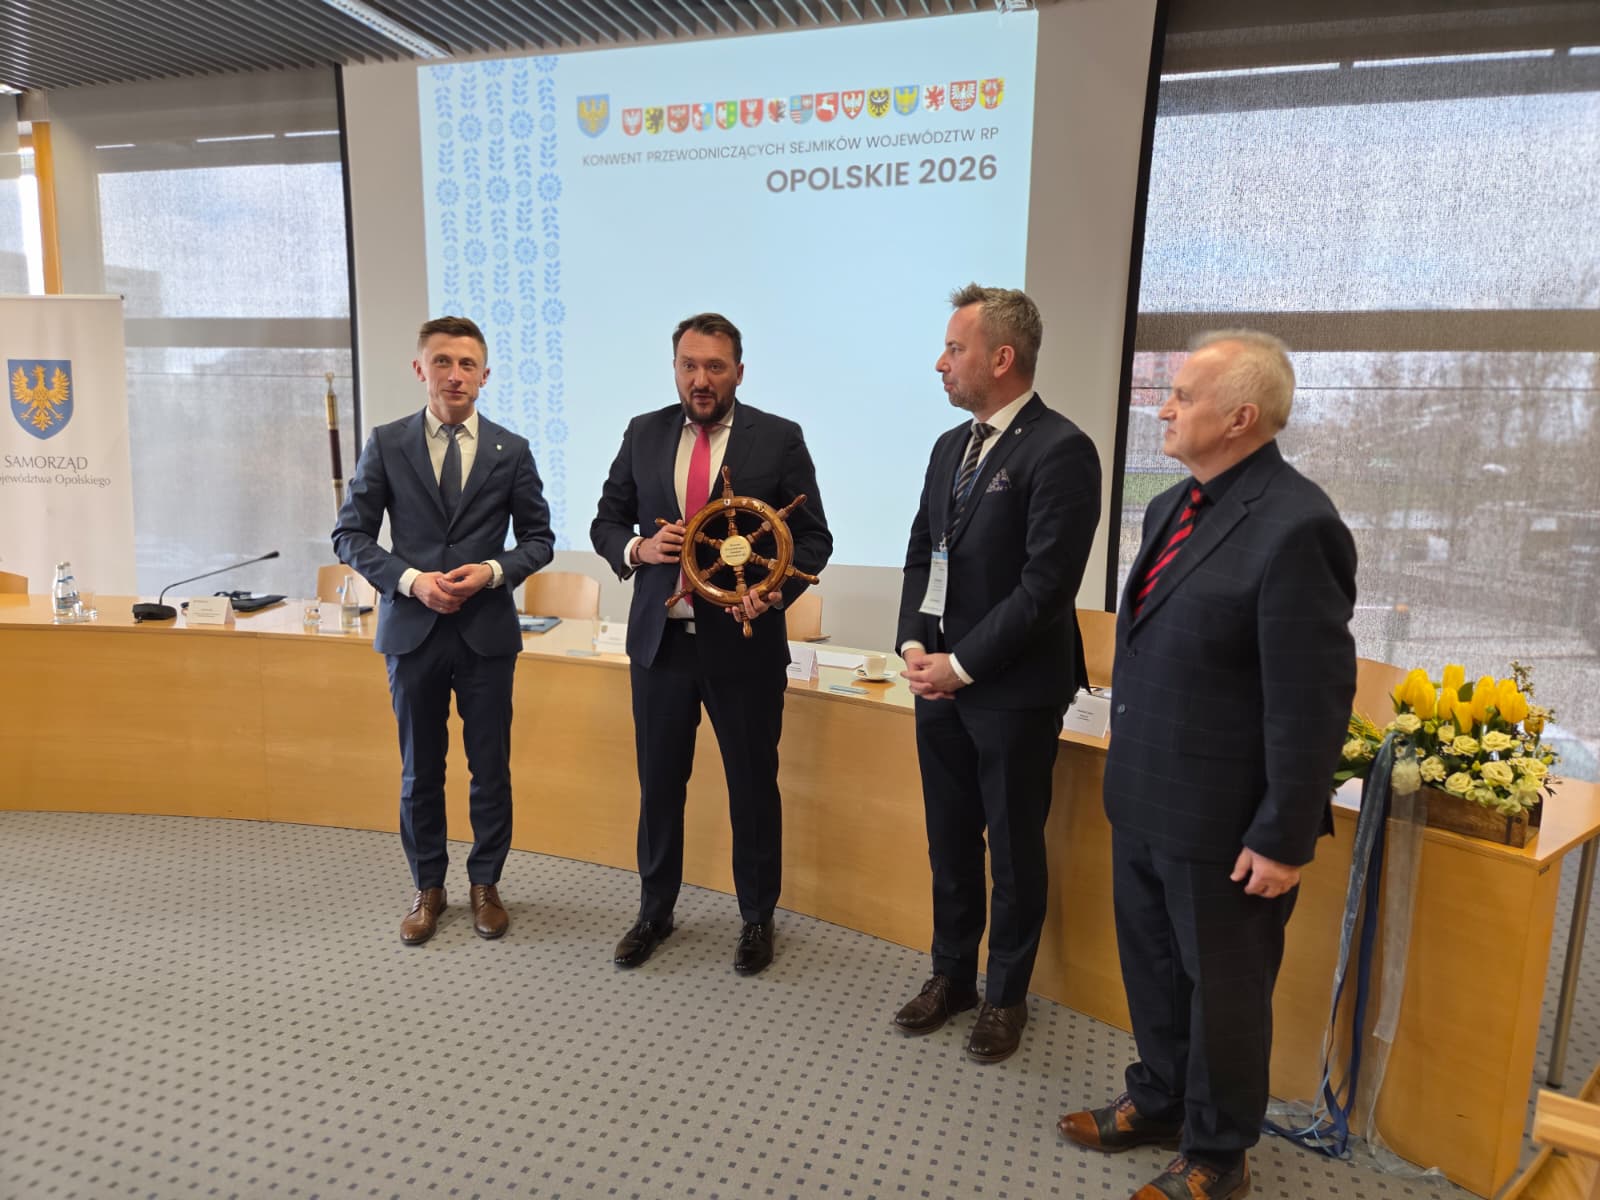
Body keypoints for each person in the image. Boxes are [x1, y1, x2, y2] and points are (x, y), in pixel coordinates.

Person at [1058, 331, 1356, 1200]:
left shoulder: (1299, 525)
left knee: (1225, 992)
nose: (1163, 407)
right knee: (1153, 970)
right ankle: (1159, 1099)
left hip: (1229, 825)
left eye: (1183, 395)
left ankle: (1220, 1153)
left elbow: (1311, 700)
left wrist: (1284, 836)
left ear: (1240, 417)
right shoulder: (1170, 507)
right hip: (1145, 797)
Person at [893, 284, 1102, 1063]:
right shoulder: (950, 446)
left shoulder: (1062, 450)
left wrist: (963, 665)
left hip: (1011, 690)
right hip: (937, 682)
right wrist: (913, 645)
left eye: (955, 348)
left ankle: (1005, 995)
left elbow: (1045, 588)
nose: (940, 363)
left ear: (1002, 357)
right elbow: (923, 550)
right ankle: (952, 976)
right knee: (949, 840)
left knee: (1012, 850)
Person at [590, 312, 832, 976]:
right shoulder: (642, 432)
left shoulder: (778, 438)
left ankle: (756, 917)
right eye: (689, 365)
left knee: (752, 786)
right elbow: (606, 520)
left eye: (715, 367)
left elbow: (814, 539)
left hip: (745, 648)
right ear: (675, 368)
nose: (701, 379)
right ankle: (654, 912)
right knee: (659, 785)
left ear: (738, 372)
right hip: (661, 644)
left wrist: (775, 592)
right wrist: (638, 548)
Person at [333, 315, 554, 946]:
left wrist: (491, 571)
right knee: (419, 772)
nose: (455, 375)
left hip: (487, 633)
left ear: (485, 376)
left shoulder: (512, 450)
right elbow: (350, 535)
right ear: (420, 369)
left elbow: (538, 540)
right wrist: (410, 581)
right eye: (442, 362)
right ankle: (427, 887)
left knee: (491, 769)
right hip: (413, 632)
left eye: (467, 364)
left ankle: (486, 884)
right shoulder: (387, 442)